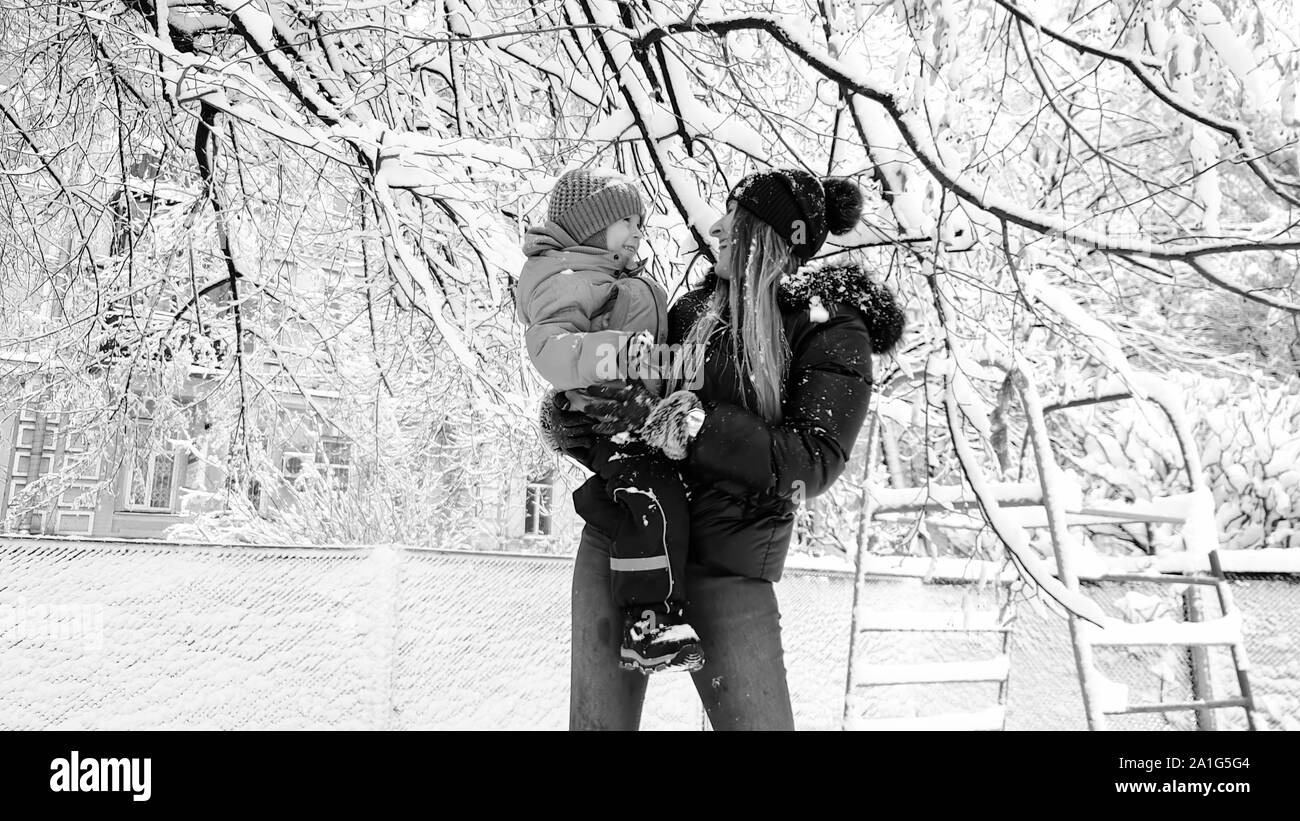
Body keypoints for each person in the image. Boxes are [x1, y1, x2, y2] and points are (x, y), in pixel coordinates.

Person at [545, 168, 906, 730]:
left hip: (730, 562)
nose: (715, 228)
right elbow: (634, 418)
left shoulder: (827, 329)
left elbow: (813, 459)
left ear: (764, 237)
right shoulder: (691, 312)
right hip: (629, 541)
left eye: (732, 221)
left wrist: (691, 426)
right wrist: (577, 421)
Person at [520, 166, 704, 674]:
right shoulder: (565, 278)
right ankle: (647, 626)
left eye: (641, 221)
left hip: (635, 416)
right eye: (627, 220)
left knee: (650, 499)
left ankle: (651, 617)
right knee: (653, 498)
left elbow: (653, 354)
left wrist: (683, 374)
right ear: (591, 226)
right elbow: (549, 350)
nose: (640, 229)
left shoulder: (619, 280)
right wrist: (617, 354)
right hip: (601, 418)